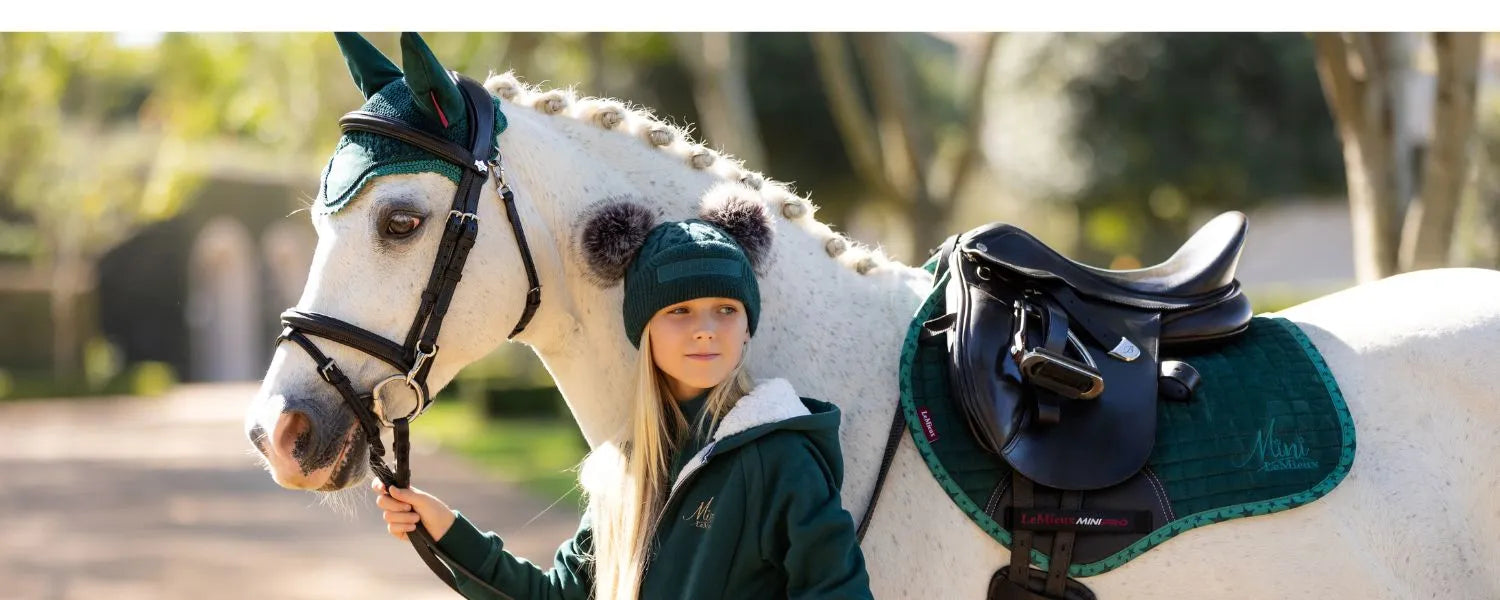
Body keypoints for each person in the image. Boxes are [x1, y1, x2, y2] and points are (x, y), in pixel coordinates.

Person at [373, 192, 873, 599]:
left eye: (726, 309)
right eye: (679, 311)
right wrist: (447, 531)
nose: (705, 329)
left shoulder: (782, 458)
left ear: (747, 329)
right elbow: (560, 596)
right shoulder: (625, 468)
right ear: (644, 329)